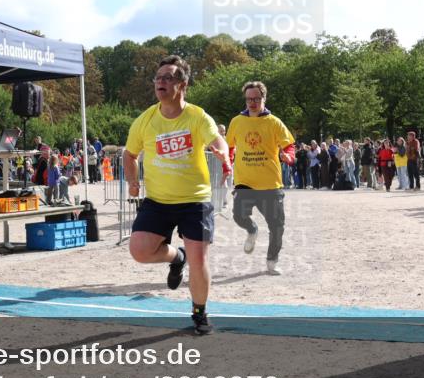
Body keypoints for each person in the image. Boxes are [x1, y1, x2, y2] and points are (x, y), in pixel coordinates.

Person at [124, 55, 230, 335]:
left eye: (168, 77)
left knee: (200, 260)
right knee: (140, 250)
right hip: (158, 200)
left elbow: (215, 137)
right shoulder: (146, 120)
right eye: (158, 78)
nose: (161, 82)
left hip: (194, 200)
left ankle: (199, 313)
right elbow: (129, 153)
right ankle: (175, 258)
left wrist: (222, 151)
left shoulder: (196, 116)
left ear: (182, 85)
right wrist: (133, 181)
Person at [225, 81, 296, 275]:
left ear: (263, 98)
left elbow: (289, 144)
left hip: (270, 184)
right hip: (245, 182)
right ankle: (252, 230)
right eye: (249, 99)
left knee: (277, 227)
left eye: (256, 99)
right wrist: (227, 162)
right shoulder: (237, 121)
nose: (252, 103)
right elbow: (229, 146)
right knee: (239, 216)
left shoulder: (274, 122)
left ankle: (272, 261)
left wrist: (289, 156)